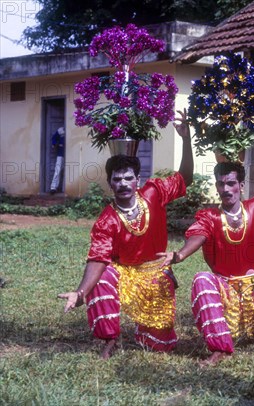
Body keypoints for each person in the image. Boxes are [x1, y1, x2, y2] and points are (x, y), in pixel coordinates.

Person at [58, 110, 193, 359]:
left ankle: (149, 332)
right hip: (124, 274)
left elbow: (185, 178)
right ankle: (110, 339)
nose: (122, 183)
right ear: (110, 183)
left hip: (155, 273)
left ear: (137, 181)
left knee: (158, 344)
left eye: (128, 178)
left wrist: (186, 139)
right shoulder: (106, 220)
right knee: (103, 276)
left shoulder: (155, 193)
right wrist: (80, 292)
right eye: (117, 179)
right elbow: (98, 258)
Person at [159, 148, 254, 366]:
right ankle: (221, 348)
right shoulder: (210, 217)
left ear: (241, 186)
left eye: (231, 184)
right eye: (221, 184)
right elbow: (198, 235)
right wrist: (179, 255)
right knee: (202, 279)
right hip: (225, 295)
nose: (226, 189)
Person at [50, 127, 65, 194]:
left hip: (71, 154)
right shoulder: (60, 130)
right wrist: (57, 144)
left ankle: (65, 189)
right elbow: (53, 139)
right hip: (60, 154)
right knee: (57, 170)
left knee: (68, 172)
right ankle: (53, 187)